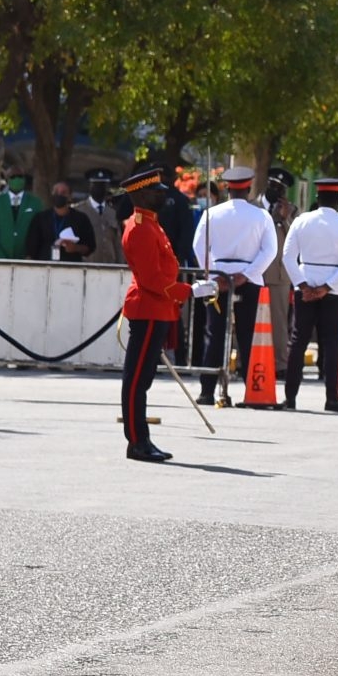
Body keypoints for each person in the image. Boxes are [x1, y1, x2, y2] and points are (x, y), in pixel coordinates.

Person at [118, 167, 199, 462]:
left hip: (159, 309)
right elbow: (152, 279)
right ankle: (137, 442)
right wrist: (187, 291)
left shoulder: (152, 224)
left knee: (144, 379)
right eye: (156, 191)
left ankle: (142, 439)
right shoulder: (139, 227)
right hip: (149, 308)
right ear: (140, 195)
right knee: (137, 379)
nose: (163, 194)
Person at [191, 165, 277, 404]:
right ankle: (254, 390)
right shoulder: (261, 215)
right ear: (248, 189)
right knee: (249, 336)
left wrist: (215, 274)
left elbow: (198, 246)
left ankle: (207, 390)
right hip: (249, 280)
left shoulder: (212, 213)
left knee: (215, 334)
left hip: (219, 278)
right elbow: (270, 250)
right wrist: (247, 274)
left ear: (227, 188)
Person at [281, 176, 338, 414]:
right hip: (334, 291)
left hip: (304, 286)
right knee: (333, 344)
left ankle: (290, 397)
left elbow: (287, 257)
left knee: (298, 343)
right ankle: (332, 398)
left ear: (317, 198)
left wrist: (304, 285)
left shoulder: (301, 221)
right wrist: (327, 286)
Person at [261, 168, 296, 368]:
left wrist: (284, 218)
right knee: (248, 319)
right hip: (253, 273)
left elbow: (297, 240)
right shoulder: (254, 207)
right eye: (273, 185)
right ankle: (243, 362)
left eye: (280, 188)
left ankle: (280, 363)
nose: (276, 190)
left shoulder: (291, 212)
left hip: (279, 274)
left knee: (279, 322)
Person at [27, 180, 95, 262]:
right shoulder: (40, 218)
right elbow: (31, 248)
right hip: (45, 267)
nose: (59, 195)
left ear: (70, 196)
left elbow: (90, 246)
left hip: (71, 267)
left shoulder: (81, 218)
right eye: (56, 192)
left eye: (63, 192)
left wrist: (75, 248)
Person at [0, 170, 41, 260]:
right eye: (13, 177)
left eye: (20, 176)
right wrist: (0, 256)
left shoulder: (36, 203)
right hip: (0, 260)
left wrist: (31, 255)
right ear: (7, 180)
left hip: (27, 261)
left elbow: (40, 231)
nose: (17, 179)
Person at [83, 168, 124, 265]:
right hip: (86, 267)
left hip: (110, 267)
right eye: (97, 185)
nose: (100, 188)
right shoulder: (80, 211)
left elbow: (117, 243)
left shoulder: (113, 213)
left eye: (103, 185)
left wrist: (121, 265)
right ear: (90, 186)